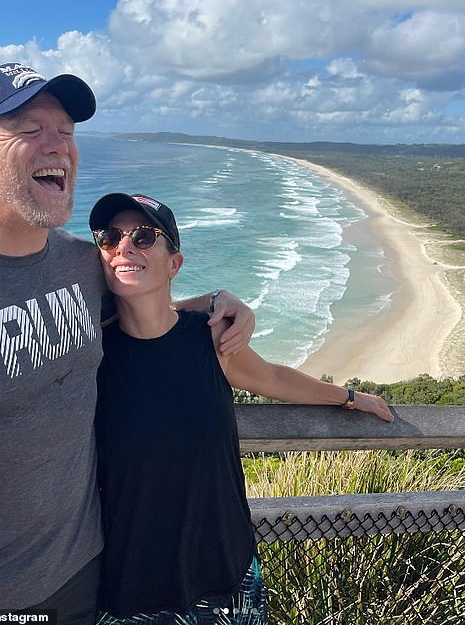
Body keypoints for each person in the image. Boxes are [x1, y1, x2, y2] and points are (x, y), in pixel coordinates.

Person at [0, 64, 254, 622]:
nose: (57, 146)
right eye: (28, 128)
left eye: (66, 131)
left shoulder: (78, 263)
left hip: (91, 575)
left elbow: (143, 304)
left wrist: (214, 302)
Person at [89, 193, 394, 624]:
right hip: (131, 593)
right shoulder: (88, 355)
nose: (124, 247)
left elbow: (271, 378)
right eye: (109, 237)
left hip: (227, 577)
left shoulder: (209, 340)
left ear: (174, 264)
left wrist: (348, 397)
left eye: (143, 237)